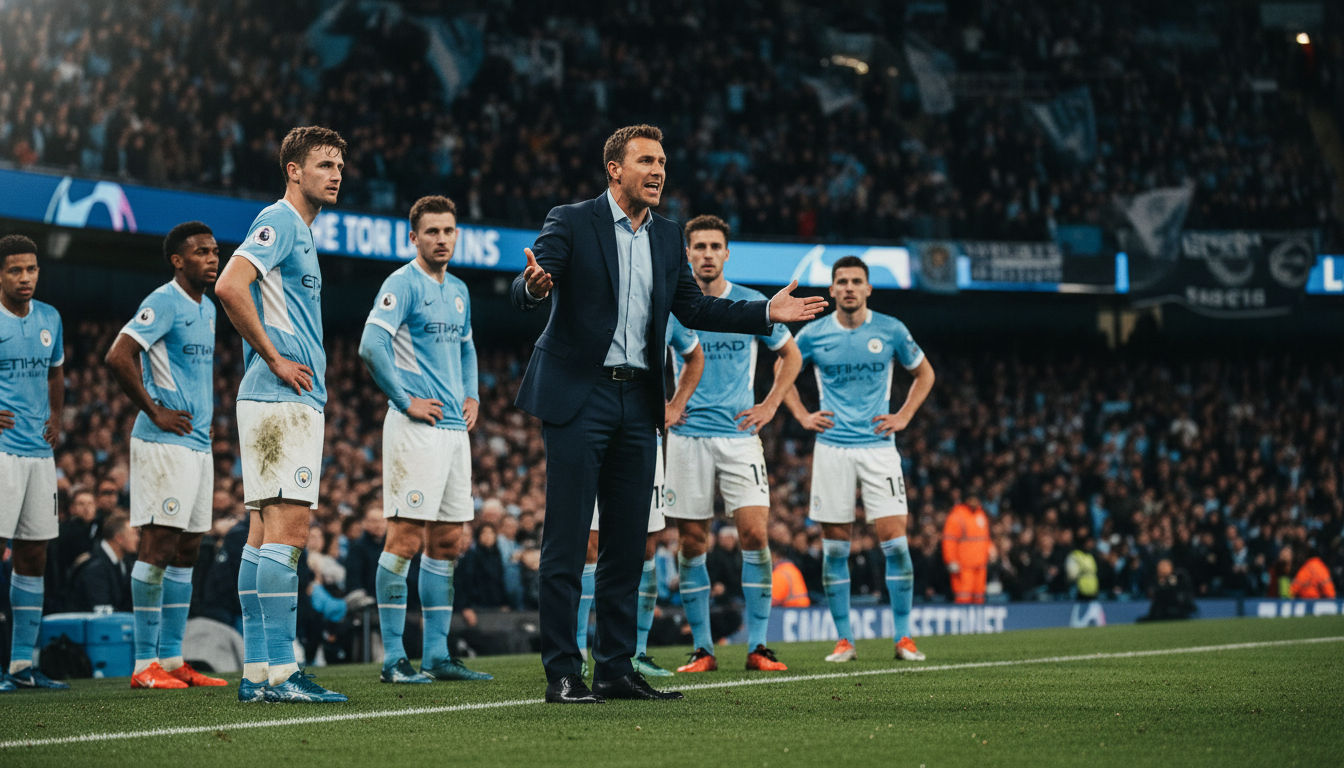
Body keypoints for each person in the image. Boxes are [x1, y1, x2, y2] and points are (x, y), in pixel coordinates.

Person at [511, 124, 826, 704]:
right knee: (568, 539)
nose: (658, 171)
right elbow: (530, 285)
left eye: (662, 162)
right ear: (615, 169)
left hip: (640, 401)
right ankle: (563, 672)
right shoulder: (571, 220)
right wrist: (533, 287)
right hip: (579, 397)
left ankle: (614, 669)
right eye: (646, 161)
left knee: (629, 543)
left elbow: (696, 307)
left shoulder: (667, 235)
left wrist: (764, 312)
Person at [215, 125, 349, 704]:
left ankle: (257, 674)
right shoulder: (282, 221)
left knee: (261, 535)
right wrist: (274, 357)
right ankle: (282, 672)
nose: (336, 173)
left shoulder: (302, 231)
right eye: (324, 164)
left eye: (339, 165)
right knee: (289, 535)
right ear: (294, 170)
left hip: (274, 401)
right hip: (280, 399)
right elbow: (229, 285)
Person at [357, 195, 491, 684]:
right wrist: (404, 399)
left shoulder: (459, 290)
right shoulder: (402, 282)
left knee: (448, 541)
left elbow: (468, 348)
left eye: (448, 231)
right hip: (416, 430)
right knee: (406, 538)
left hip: (455, 431)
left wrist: (473, 394)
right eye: (431, 231)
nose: (441, 239)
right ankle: (394, 658)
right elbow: (371, 345)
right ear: (413, 237)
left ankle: (436, 655)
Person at [783, 255, 936, 663]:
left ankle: (903, 638)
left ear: (868, 288)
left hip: (878, 447)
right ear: (832, 289)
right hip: (832, 448)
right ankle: (845, 640)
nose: (849, 288)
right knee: (835, 549)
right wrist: (802, 415)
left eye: (856, 281)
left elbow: (925, 374)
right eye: (842, 282)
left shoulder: (891, 329)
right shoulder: (814, 334)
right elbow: (785, 371)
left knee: (896, 544)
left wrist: (903, 416)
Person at [665, 215, 801, 675]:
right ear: (687, 254)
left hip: (739, 436)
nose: (706, 254)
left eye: (714, 246)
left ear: (726, 253)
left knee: (756, 535)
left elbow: (791, 355)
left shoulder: (752, 302)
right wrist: (667, 404)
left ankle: (758, 646)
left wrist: (770, 405)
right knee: (691, 541)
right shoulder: (672, 304)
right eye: (699, 246)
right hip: (688, 436)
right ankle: (703, 649)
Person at [105, 221, 227, 690]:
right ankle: (144, 665)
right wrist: (153, 409)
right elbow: (118, 355)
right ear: (177, 261)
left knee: (189, 547)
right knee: (157, 545)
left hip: (196, 443)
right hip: (162, 443)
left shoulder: (209, 308)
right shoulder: (163, 301)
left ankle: (173, 659)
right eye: (201, 252)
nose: (212, 259)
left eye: (214, 251)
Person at [0, 234, 70, 692]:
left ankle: (21, 665)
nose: (25, 278)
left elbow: (56, 371)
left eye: (31, 269)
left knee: (33, 554)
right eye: (15, 270)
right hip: (2, 452)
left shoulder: (50, 317)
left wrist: (57, 417)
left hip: (39, 454)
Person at [68, 513, 138, 613]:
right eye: (133, 534)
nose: (137, 539)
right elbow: (101, 610)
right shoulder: (95, 568)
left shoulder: (125, 564)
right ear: (119, 538)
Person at [943, 498, 991, 604]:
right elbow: (949, 540)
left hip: (980, 564)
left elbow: (985, 537)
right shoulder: (956, 516)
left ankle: (978, 614)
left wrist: (990, 549)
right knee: (963, 595)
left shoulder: (981, 514)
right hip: (964, 565)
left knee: (979, 596)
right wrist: (951, 560)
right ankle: (963, 613)